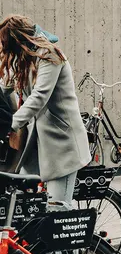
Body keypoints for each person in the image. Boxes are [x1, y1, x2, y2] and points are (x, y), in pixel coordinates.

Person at [0, 15, 90, 206]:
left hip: (61, 144)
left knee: (58, 209)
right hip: (36, 144)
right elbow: (4, 88)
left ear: (18, 41)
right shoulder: (23, 59)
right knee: (26, 206)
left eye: (6, 44)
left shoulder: (50, 55)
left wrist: (11, 125)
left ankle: (78, 235)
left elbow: (39, 96)